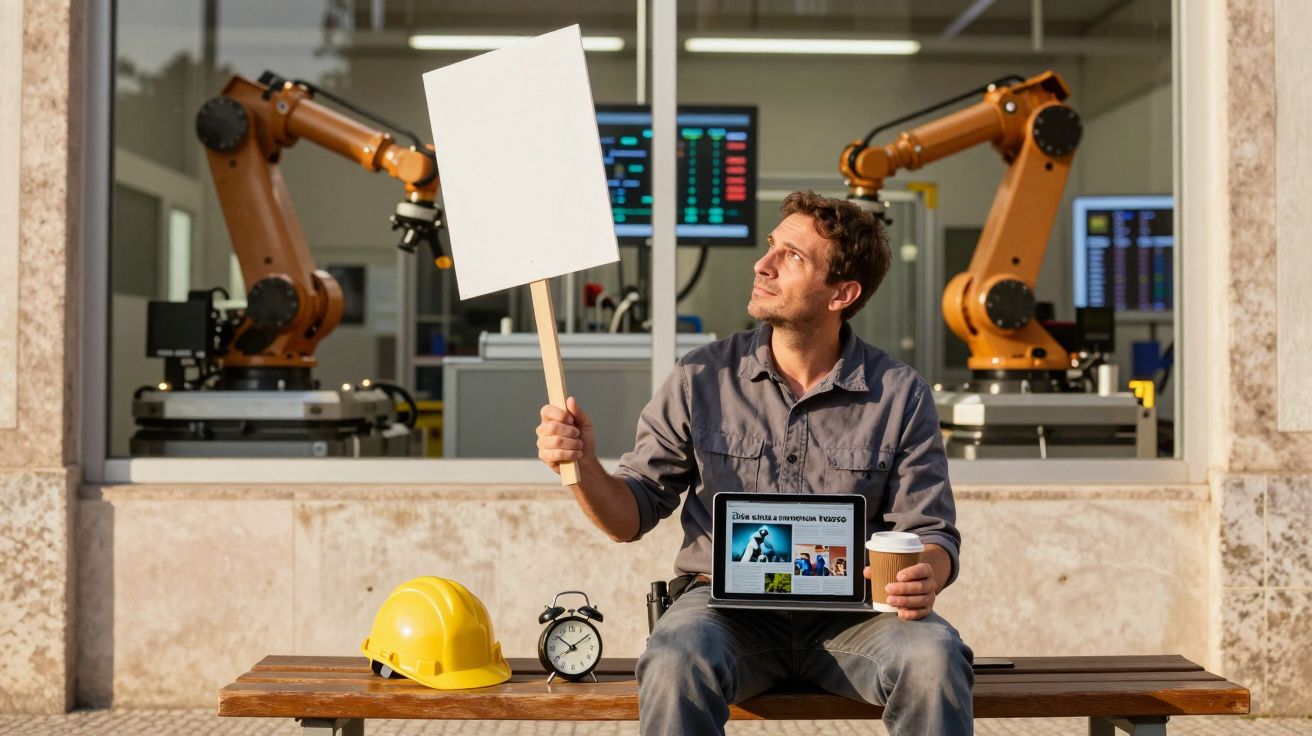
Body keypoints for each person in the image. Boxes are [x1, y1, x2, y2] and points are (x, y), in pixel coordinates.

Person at [536, 191, 973, 735]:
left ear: (843, 293)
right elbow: (631, 515)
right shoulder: (700, 378)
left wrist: (925, 573)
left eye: (792, 257)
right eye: (771, 246)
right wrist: (583, 468)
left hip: (859, 618)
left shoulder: (899, 393)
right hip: (721, 615)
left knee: (934, 657)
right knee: (673, 658)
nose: (762, 265)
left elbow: (932, 533)